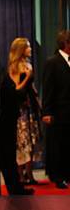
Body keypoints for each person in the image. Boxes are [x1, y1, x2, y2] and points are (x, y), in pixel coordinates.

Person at [0, 70, 34, 195]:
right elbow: (11, 95)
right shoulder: (0, 77)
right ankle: (12, 189)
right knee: (4, 158)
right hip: (2, 124)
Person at [8, 38, 41, 184]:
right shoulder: (15, 66)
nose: (30, 49)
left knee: (31, 141)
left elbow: (31, 88)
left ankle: (30, 174)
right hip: (20, 110)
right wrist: (27, 77)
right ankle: (21, 176)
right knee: (22, 143)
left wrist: (38, 102)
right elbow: (16, 89)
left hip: (30, 109)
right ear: (21, 49)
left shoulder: (27, 64)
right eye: (28, 47)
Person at [42, 29, 70, 189]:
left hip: (68, 113)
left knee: (67, 145)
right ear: (66, 44)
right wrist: (46, 112)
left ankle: (67, 174)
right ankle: (58, 176)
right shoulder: (52, 62)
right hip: (58, 112)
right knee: (58, 145)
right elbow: (48, 89)